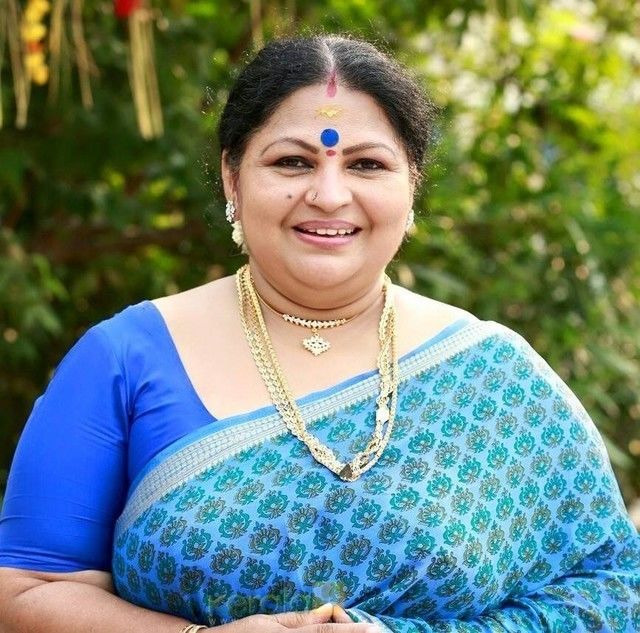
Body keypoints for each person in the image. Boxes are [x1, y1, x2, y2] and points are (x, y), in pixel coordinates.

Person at [1, 34, 639, 633]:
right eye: (292, 161)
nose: (329, 195)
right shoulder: (125, 358)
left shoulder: (495, 376)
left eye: (366, 164)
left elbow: (613, 590)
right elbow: (24, 592)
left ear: (411, 185)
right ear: (232, 178)